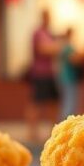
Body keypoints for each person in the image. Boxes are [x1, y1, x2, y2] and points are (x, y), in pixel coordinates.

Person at [26, 10, 60, 142]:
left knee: (53, 103)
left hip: (50, 73)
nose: (49, 19)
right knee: (36, 103)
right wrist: (58, 47)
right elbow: (43, 49)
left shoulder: (48, 33)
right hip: (40, 73)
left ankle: (53, 131)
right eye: (47, 16)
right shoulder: (38, 32)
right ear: (43, 17)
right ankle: (32, 133)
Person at [56, 28, 83, 120]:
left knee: (68, 102)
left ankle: (65, 122)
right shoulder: (67, 47)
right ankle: (65, 123)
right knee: (70, 103)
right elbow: (74, 60)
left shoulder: (62, 47)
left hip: (65, 78)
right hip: (69, 79)